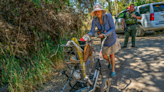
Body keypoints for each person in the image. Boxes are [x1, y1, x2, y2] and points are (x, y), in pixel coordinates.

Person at [86, 4, 121, 77]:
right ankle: (109, 62)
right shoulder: (95, 20)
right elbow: (92, 32)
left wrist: (105, 34)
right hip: (104, 41)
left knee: (112, 55)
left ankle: (113, 69)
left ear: (101, 11)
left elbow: (113, 28)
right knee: (104, 56)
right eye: (95, 11)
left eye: (98, 10)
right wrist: (88, 35)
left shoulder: (108, 16)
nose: (97, 12)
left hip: (111, 38)